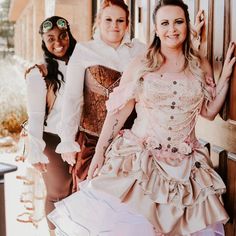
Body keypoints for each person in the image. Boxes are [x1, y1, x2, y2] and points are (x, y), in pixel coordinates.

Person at [49, 1, 235, 235]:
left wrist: (226, 79)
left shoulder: (199, 64)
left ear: (187, 26)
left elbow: (208, 113)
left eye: (178, 22)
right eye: (165, 23)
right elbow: (119, 112)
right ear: (156, 29)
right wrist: (100, 153)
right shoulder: (142, 63)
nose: (172, 29)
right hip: (140, 162)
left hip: (187, 171)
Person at [55, 0, 146, 192]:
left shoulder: (140, 51)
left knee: (126, 204)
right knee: (91, 200)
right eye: (109, 20)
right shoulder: (84, 51)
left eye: (120, 20)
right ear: (98, 22)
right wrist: (67, 139)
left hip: (129, 143)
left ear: (128, 24)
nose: (114, 25)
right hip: (91, 139)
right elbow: (72, 97)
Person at [25, 16, 76, 235]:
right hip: (53, 139)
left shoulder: (81, 63)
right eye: (51, 38)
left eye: (63, 35)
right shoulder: (40, 73)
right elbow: (35, 115)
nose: (58, 42)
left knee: (78, 194)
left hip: (79, 138)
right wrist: (35, 153)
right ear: (43, 41)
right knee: (58, 193)